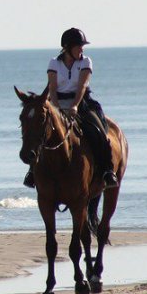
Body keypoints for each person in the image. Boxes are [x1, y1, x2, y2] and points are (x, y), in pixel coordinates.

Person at [23, 27, 120, 190]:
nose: (82, 49)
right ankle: (32, 171)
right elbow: (52, 88)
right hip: (57, 103)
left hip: (81, 102)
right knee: (40, 131)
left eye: (82, 46)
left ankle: (107, 171)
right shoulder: (54, 63)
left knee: (98, 132)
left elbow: (82, 86)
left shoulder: (85, 62)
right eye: (79, 46)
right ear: (67, 47)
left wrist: (74, 105)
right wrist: (57, 108)